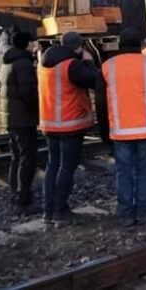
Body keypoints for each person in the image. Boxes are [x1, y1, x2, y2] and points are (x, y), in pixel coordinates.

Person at [95, 29, 146, 226]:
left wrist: (104, 133)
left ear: (119, 45)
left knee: (123, 173)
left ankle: (126, 215)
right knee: (145, 172)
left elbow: (101, 106)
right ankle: (143, 214)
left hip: (120, 132)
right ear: (139, 45)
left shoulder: (107, 67)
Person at [38, 31, 98, 225]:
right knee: (67, 167)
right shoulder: (72, 65)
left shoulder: (44, 63)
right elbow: (94, 80)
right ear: (78, 47)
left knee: (52, 166)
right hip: (70, 123)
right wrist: (88, 62)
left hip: (50, 123)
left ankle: (48, 211)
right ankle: (60, 210)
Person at [0, 32, 39, 211]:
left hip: (10, 116)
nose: (34, 46)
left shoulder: (7, 62)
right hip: (23, 118)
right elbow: (28, 92)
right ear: (27, 44)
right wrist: (38, 111)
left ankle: (15, 192)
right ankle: (23, 198)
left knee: (16, 157)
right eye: (33, 43)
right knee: (27, 157)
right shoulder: (24, 64)